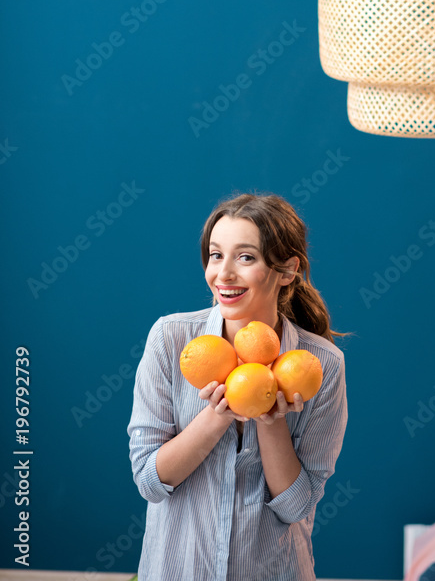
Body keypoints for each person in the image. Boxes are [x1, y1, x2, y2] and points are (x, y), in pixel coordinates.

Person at [127, 192, 352, 581]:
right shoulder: (171, 339)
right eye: (216, 255)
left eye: (245, 257)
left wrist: (269, 421)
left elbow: (296, 506)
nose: (223, 274)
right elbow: (149, 480)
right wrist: (217, 416)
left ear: (287, 270)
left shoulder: (321, 366)